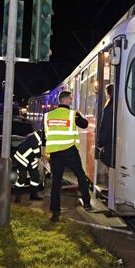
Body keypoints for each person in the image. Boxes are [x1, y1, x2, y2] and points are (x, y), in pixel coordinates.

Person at [43, 91, 92, 223]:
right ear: (64, 100)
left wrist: (44, 152)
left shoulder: (48, 116)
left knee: (56, 182)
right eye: (70, 99)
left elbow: (44, 137)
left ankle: (55, 213)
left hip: (55, 154)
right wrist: (79, 114)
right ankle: (87, 203)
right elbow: (85, 124)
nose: (71, 101)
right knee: (81, 176)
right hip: (70, 152)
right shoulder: (72, 114)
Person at [13, 129, 44, 203]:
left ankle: (33, 195)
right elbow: (35, 147)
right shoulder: (37, 136)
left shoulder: (43, 136)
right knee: (22, 178)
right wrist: (41, 155)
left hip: (32, 159)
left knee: (35, 177)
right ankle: (17, 197)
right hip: (22, 158)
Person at [97, 83, 114, 168]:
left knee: (104, 156)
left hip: (110, 141)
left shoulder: (109, 107)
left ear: (108, 94)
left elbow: (104, 126)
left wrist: (100, 143)